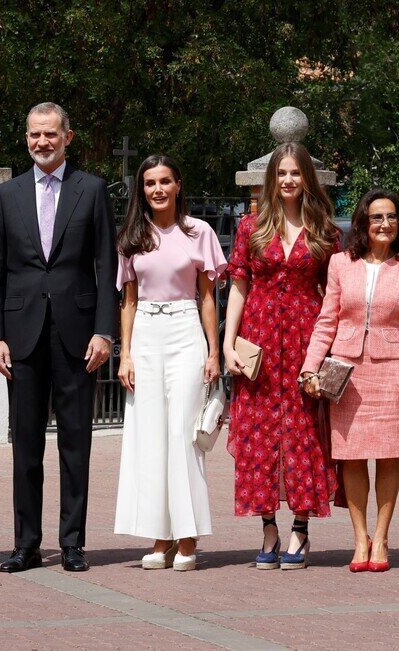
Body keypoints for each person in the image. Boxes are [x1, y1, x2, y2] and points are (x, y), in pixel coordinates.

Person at [0, 102, 118, 573]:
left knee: (75, 441)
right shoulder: (7, 194)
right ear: (26, 138)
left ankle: (73, 543)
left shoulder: (93, 190)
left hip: (78, 335)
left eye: (51, 134)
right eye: (34, 134)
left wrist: (105, 331)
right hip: (21, 337)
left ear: (68, 136)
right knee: (25, 444)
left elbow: (108, 266)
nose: (42, 142)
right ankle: (26, 544)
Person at [222, 142, 341, 570]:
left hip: (305, 344)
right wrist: (226, 344)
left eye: (295, 173)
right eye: (281, 173)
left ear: (306, 178)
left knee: (305, 434)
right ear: (272, 179)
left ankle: (301, 530)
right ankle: (269, 527)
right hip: (259, 344)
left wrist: (329, 352)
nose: (288, 180)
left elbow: (333, 295)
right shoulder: (251, 227)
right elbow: (238, 286)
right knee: (259, 435)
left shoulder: (325, 231)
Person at [301, 189, 399, 573]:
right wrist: (310, 367)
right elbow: (327, 321)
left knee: (389, 455)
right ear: (363, 222)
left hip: (394, 371)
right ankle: (359, 540)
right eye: (377, 217)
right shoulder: (341, 263)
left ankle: (382, 537)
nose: (385, 224)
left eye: (391, 217)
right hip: (348, 373)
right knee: (352, 458)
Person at [113, 155, 226, 572]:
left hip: (185, 331)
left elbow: (209, 298)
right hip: (144, 333)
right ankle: (160, 536)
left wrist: (213, 352)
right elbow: (127, 300)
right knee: (150, 435)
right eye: (148, 183)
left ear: (178, 184)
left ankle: (188, 536)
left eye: (164, 181)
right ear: (141, 189)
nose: (157, 189)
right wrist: (125, 354)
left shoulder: (200, 232)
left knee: (182, 433)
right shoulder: (131, 236)